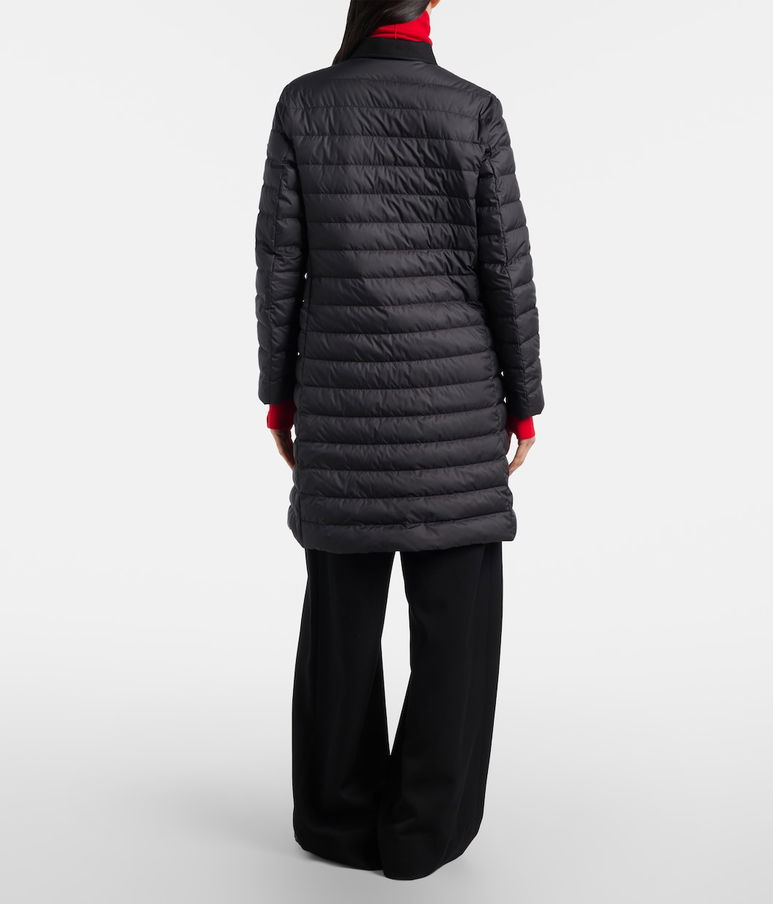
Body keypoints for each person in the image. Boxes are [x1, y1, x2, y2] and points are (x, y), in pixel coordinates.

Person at [254, 0, 544, 881]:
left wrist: (279, 396)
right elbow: (506, 268)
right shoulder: (474, 110)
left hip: (340, 398)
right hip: (456, 404)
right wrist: (524, 401)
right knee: (457, 634)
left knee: (339, 627)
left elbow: (279, 264)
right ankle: (425, 832)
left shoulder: (304, 103)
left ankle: (337, 823)